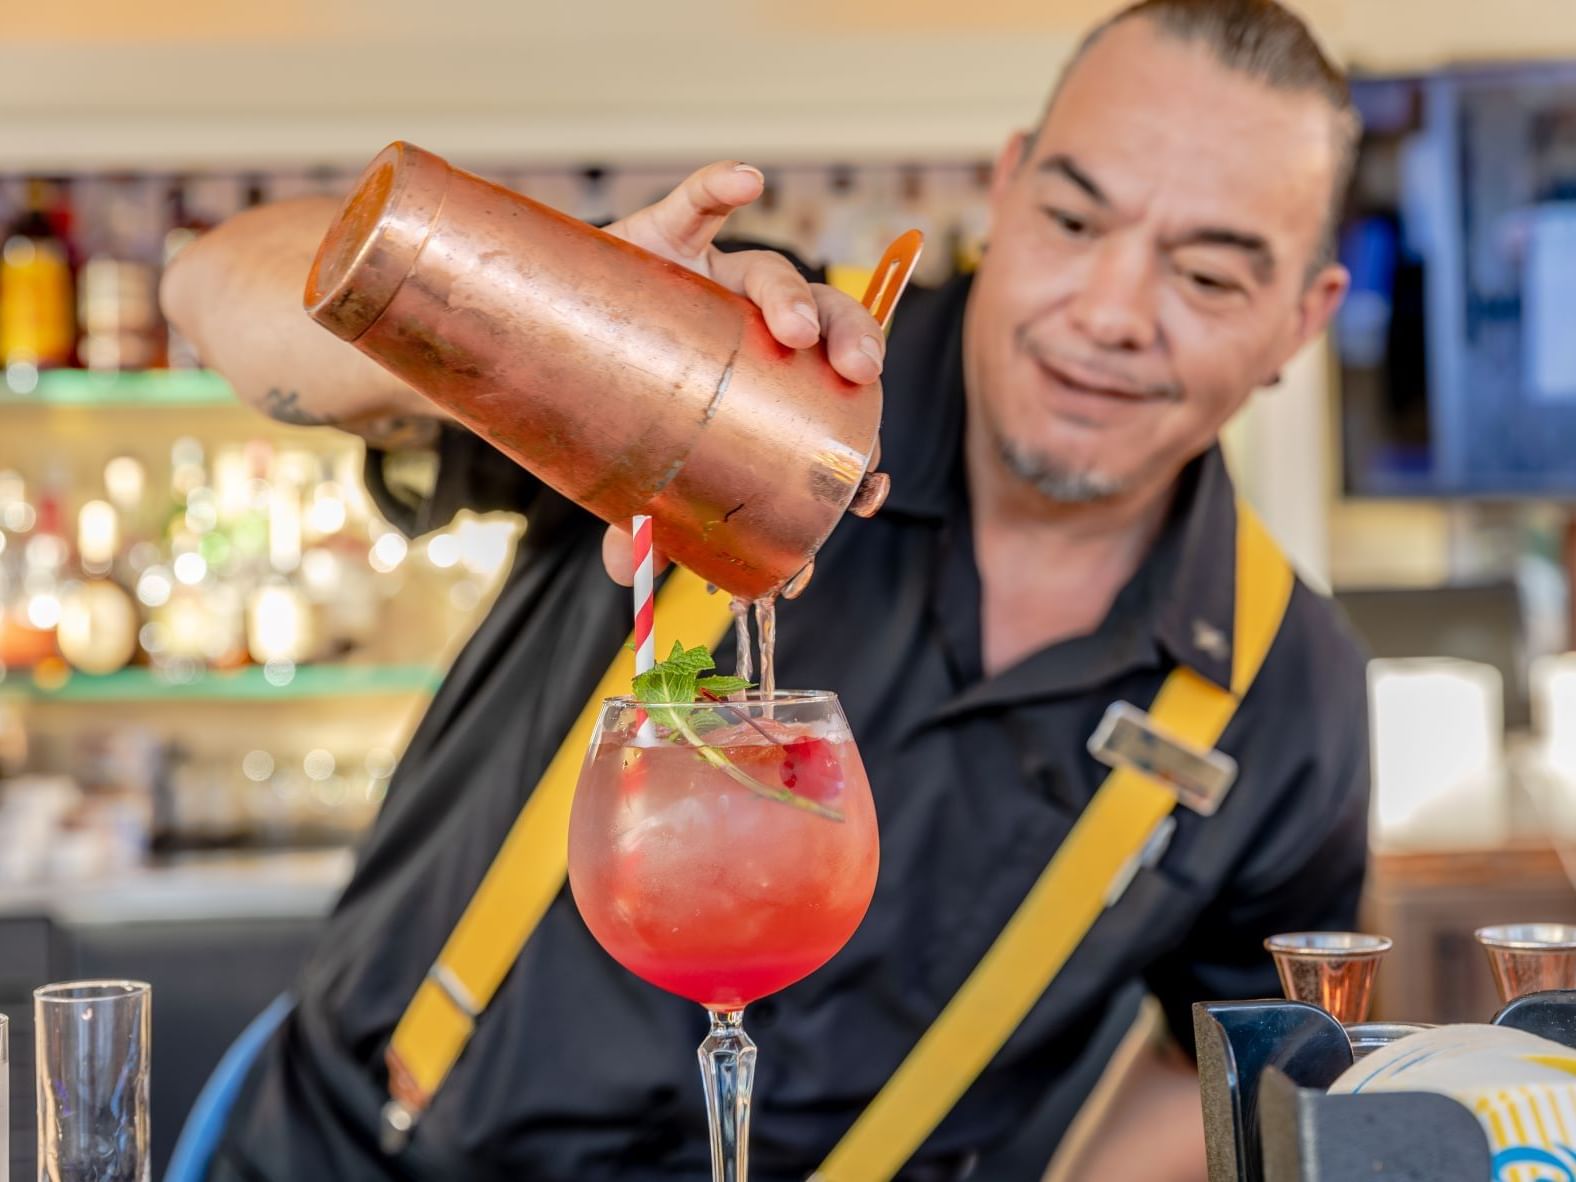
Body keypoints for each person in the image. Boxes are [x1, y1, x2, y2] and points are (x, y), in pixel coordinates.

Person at [161, 1, 1369, 1178]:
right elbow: (211, 291)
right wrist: (563, 329)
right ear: (1005, 187)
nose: (1108, 314)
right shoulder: (753, 344)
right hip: (352, 1151)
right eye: (1069, 220)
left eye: (1208, 278)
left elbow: (1212, 1068)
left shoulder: (1284, 689)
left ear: (1302, 324)